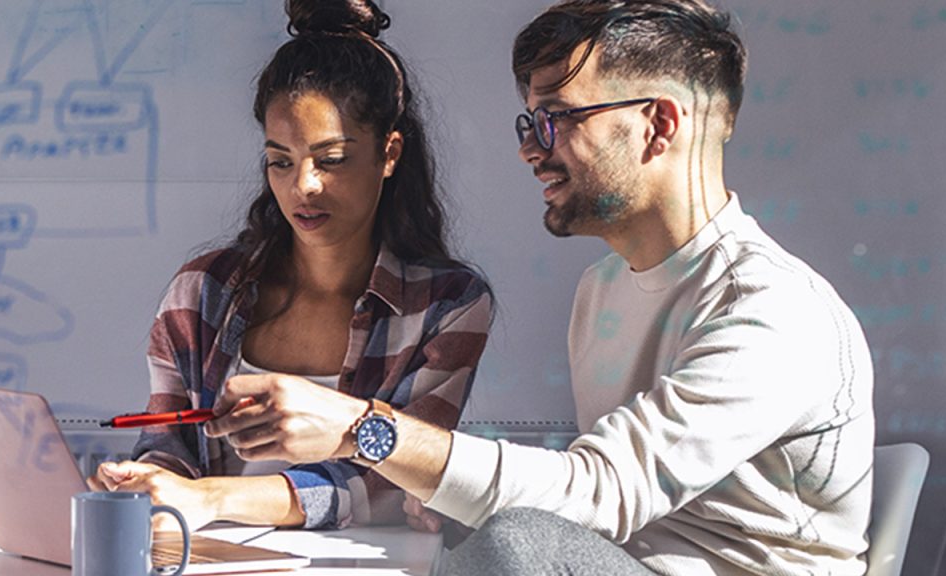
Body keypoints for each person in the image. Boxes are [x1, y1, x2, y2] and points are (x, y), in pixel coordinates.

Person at [204, 0, 875, 574]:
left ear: (660, 126)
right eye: (530, 122)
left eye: (558, 118)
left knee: (516, 542)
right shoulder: (603, 290)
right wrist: (441, 483)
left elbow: (603, 493)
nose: (532, 147)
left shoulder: (773, 311)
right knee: (465, 525)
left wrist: (362, 429)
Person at [87, 0, 492, 533]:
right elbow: (170, 446)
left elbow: (394, 478)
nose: (303, 186)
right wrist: (147, 483)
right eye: (280, 161)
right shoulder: (202, 292)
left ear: (389, 153)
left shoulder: (446, 305)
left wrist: (208, 498)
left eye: (332, 160)